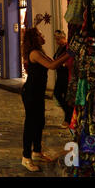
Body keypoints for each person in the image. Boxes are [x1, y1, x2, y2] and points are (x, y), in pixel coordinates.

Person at [20, 27, 70, 172]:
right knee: (30, 124)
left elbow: (53, 61)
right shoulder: (34, 53)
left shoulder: (40, 51)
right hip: (31, 92)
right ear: (34, 38)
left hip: (37, 92)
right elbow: (52, 65)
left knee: (39, 122)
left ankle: (37, 152)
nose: (42, 35)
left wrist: (67, 53)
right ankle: (26, 157)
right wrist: (70, 53)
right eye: (39, 34)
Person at [53, 30, 73, 128]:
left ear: (63, 38)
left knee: (64, 96)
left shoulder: (67, 47)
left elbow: (69, 60)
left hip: (65, 75)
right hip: (60, 75)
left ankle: (68, 119)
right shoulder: (60, 48)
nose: (57, 41)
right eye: (56, 39)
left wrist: (63, 64)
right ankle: (68, 115)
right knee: (57, 94)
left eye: (58, 39)